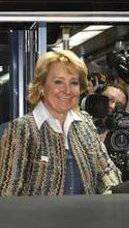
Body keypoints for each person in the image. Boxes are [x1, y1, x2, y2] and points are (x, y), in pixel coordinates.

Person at [0, 50, 122, 196]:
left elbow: (108, 173)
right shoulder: (22, 129)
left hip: (86, 217)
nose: (67, 90)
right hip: (38, 218)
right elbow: (9, 192)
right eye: (58, 82)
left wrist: (110, 197)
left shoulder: (86, 124)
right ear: (41, 87)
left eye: (74, 83)